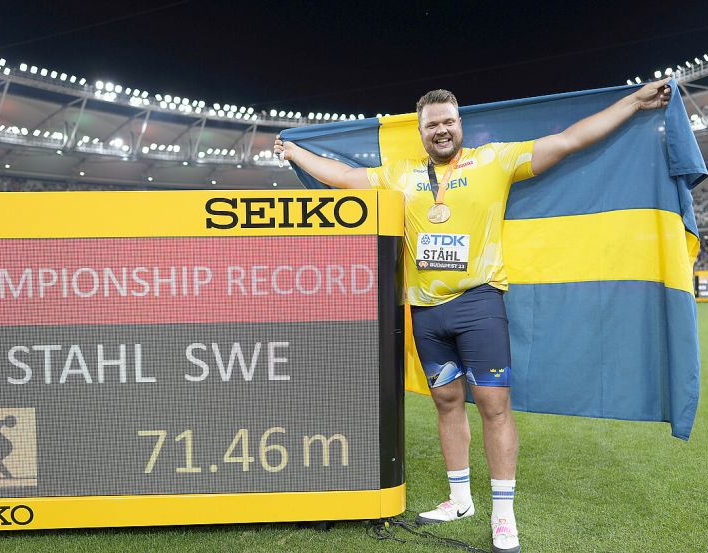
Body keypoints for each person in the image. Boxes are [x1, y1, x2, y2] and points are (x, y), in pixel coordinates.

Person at [274, 79, 671, 553]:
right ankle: (459, 498)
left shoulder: (494, 161)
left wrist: (632, 101)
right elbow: (344, 178)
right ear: (420, 131)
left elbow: (569, 141)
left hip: (478, 305)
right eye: (431, 125)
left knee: (494, 407)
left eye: (448, 122)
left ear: (460, 125)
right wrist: (295, 153)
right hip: (425, 312)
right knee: (445, 403)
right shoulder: (401, 175)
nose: (440, 130)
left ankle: (503, 512)